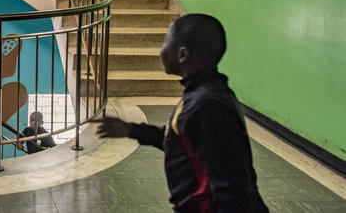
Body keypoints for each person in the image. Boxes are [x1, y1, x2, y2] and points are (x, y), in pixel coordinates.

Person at [96, 14, 268, 213]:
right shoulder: (201, 95)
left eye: (165, 42)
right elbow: (181, 141)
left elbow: (231, 187)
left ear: (183, 54)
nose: (161, 50)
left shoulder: (208, 105)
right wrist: (132, 130)